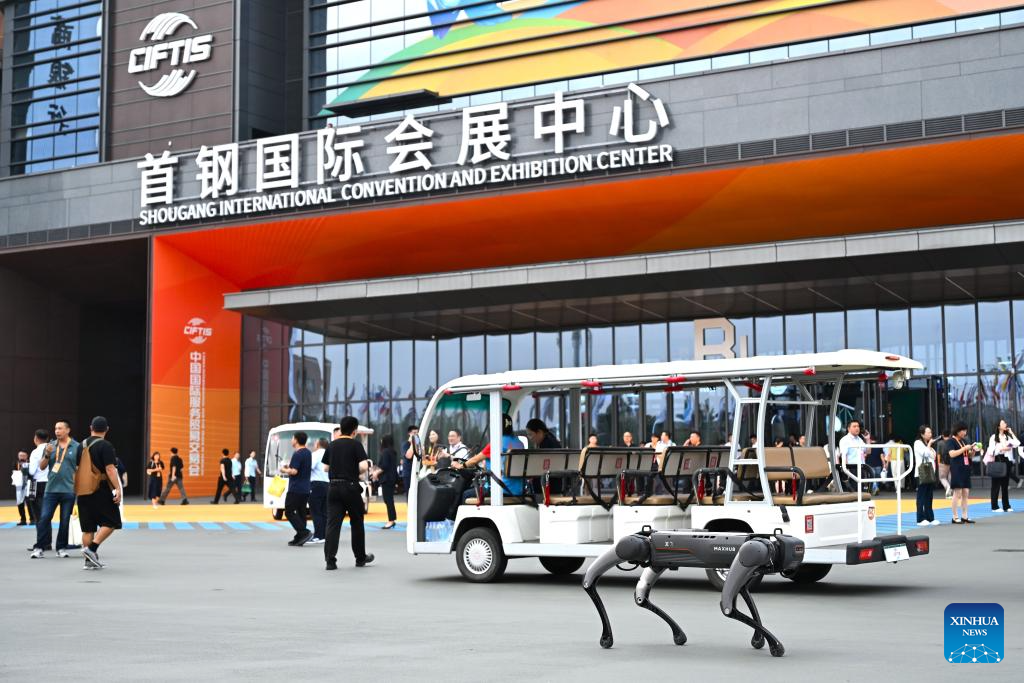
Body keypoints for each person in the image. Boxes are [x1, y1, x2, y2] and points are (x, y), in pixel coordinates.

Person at [324, 416, 374, 569]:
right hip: (350, 487)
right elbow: (364, 466)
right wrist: (352, 469)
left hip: (333, 487)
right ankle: (360, 558)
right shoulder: (356, 445)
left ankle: (330, 561)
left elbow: (325, 467)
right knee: (357, 522)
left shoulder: (332, 445)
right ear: (354, 431)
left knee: (333, 524)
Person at [77, 417, 122, 570]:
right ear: (107, 429)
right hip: (100, 488)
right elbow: (110, 469)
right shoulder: (105, 445)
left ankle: (88, 561)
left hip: (83, 489)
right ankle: (92, 549)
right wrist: (117, 488)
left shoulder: (81, 445)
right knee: (112, 521)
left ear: (91, 428)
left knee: (88, 528)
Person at [30, 421, 80, 559]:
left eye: (60, 428)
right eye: (56, 428)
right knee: (44, 518)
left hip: (68, 490)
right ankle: (39, 547)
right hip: (51, 489)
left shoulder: (76, 446)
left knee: (64, 520)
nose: (57, 431)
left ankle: (61, 548)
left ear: (68, 430)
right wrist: (47, 454)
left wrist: (77, 487)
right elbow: (41, 467)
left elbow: (80, 467)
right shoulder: (50, 446)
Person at [280, 432, 313, 546]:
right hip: (305, 488)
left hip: (296, 488)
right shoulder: (308, 452)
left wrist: (284, 470)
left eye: (292, 438)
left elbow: (294, 471)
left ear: (296, 440)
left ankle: (304, 532)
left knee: (289, 511)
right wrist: (289, 467)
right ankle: (299, 537)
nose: (291, 440)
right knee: (301, 512)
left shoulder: (297, 454)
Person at [984, 419, 1017, 513]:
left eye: (1005, 423)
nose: (1006, 424)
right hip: (997, 460)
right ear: (999, 426)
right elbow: (991, 451)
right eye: (1003, 423)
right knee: (996, 485)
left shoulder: (1007, 436)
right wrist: (1002, 449)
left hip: (1006, 461)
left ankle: (1006, 506)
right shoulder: (993, 437)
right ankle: (994, 506)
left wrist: (1011, 432)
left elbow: (1017, 443)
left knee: (1005, 485)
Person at [947, 423, 978, 524]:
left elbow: (968, 456)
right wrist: (965, 448)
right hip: (957, 469)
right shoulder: (951, 441)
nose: (965, 432)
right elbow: (952, 454)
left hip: (965, 468)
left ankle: (964, 516)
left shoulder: (963, 441)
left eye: (965, 430)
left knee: (965, 492)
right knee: (957, 492)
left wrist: (973, 451)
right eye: (963, 430)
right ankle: (955, 516)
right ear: (957, 431)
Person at [913, 426, 938, 526]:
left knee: (929, 496)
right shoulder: (918, 443)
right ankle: (920, 519)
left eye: (930, 432)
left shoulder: (927, 444)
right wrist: (929, 445)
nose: (930, 434)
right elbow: (925, 454)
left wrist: (929, 445)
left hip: (930, 473)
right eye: (928, 433)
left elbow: (934, 456)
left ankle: (930, 517)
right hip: (921, 473)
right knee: (921, 496)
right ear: (922, 434)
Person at [308, 438, 330, 543]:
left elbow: (310, 467)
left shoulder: (315, 454)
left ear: (318, 444)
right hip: (328, 484)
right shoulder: (330, 454)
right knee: (324, 511)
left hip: (316, 484)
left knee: (316, 511)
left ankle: (318, 535)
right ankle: (324, 535)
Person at [837, 420, 868, 493]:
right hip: (852, 468)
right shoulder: (845, 440)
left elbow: (868, 451)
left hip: (862, 467)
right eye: (854, 426)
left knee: (863, 491)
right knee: (854, 491)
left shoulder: (859, 439)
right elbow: (844, 455)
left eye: (858, 426)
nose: (857, 428)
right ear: (848, 429)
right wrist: (847, 470)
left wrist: (868, 439)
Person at [27, 429, 50, 525]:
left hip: (38, 484)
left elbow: (32, 471)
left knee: (38, 513)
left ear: (36, 438)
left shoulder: (35, 452)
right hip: (50, 483)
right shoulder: (53, 449)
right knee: (48, 512)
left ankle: (42, 534)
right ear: (47, 439)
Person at [376, 435, 399, 529]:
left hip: (387, 479)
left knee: (388, 500)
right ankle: (392, 519)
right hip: (391, 478)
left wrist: (376, 473)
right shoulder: (392, 452)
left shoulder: (385, 452)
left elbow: (384, 466)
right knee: (389, 500)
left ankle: (391, 520)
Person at [12, 451, 34, 525]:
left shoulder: (30, 463)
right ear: (18, 456)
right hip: (19, 486)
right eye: (20, 455)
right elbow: (14, 473)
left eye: (23, 455)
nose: (22, 457)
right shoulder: (16, 463)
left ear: (27, 456)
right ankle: (23, 520)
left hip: (29, 484)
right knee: (20, 503)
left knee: (30, 503)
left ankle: (32, 519)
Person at [933, 429, 952, 499]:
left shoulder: (940, 443)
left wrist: (938, 463)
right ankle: (950, 490)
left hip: (943, 462)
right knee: (950, 476)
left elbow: (938, 454)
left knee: (942, 478)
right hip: (952, 462)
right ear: (949, 435)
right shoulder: (951, 441)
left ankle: (948, 487)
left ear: (943, 435)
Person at [402, 425, 418, 495]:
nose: (416, 435)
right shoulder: (405, 444)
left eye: (417, 433)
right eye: (414, 433)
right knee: (409, 494)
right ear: (409, 433)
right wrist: (412, 443)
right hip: (408, 473)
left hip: (416, 472)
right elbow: (409, 456)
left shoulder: (417, 444)